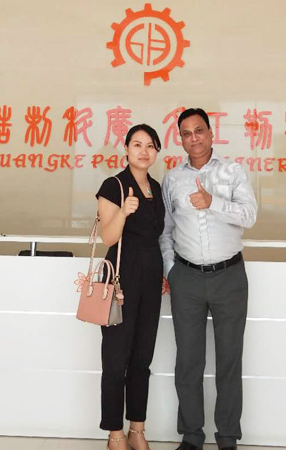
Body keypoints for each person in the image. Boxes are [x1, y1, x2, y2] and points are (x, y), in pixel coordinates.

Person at [160, 108, 258, 450]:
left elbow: (249, 215)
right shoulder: (173, 178)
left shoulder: (233, 171)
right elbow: (165, 229)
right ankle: (191, 435)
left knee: (229, 359)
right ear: (181, 139)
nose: (194, 138)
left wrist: (212, 201)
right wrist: (170, 269)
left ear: (211, 132)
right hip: (186, 277)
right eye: (186, 133)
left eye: (199, 130)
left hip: (229, 276)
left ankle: (228, 436)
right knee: (188, 360)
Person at [96, 124, 165, 450]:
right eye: (137, 144)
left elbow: (158, 236)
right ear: (126, 149)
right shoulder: (114, 185)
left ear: (156, 152)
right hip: (120, 281)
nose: (143, 151)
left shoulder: (156, 188)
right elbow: (108, 238)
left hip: (150, 280)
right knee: (115, 359)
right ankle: (115, 434)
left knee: (142, 357)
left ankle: (137, 429)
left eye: (150, 145)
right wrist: (124, 212)